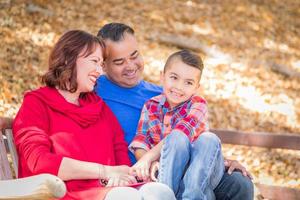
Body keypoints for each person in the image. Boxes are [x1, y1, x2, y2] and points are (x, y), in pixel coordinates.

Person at [95, 22, 254, 200]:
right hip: (141, 176)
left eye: (134, 55)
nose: (130, 66)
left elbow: (195, 136)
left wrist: (224, 162)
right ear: (103, 65)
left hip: (185, 171)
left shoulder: (164, 93)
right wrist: (150, 160)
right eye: (119, 61)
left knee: (240, 184)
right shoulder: (94, 91)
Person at [12, 30, 175, 200]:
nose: (99, 71)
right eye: (95, 62)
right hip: (60, 192)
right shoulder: (37, 103)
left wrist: (120, 176)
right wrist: (104, 171)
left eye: (101, 63)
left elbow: (119, 149)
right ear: (69, 59)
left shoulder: (98, 106)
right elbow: (38, 161)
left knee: (159, 192)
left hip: (109, 189)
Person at [129, 49, 225, 200]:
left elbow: (181, 131)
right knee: (176, 139)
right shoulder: (151, 106)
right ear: (162, 77)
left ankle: (190, 197)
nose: (179, 87)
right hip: (171, 172)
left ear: (196, 88)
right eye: (174, 78)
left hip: (204, 171)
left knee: (208, 138)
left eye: (188, 83)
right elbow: (141, 140)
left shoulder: (198, 104)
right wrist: (150, 160)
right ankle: (166, 195)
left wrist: (149, 157)